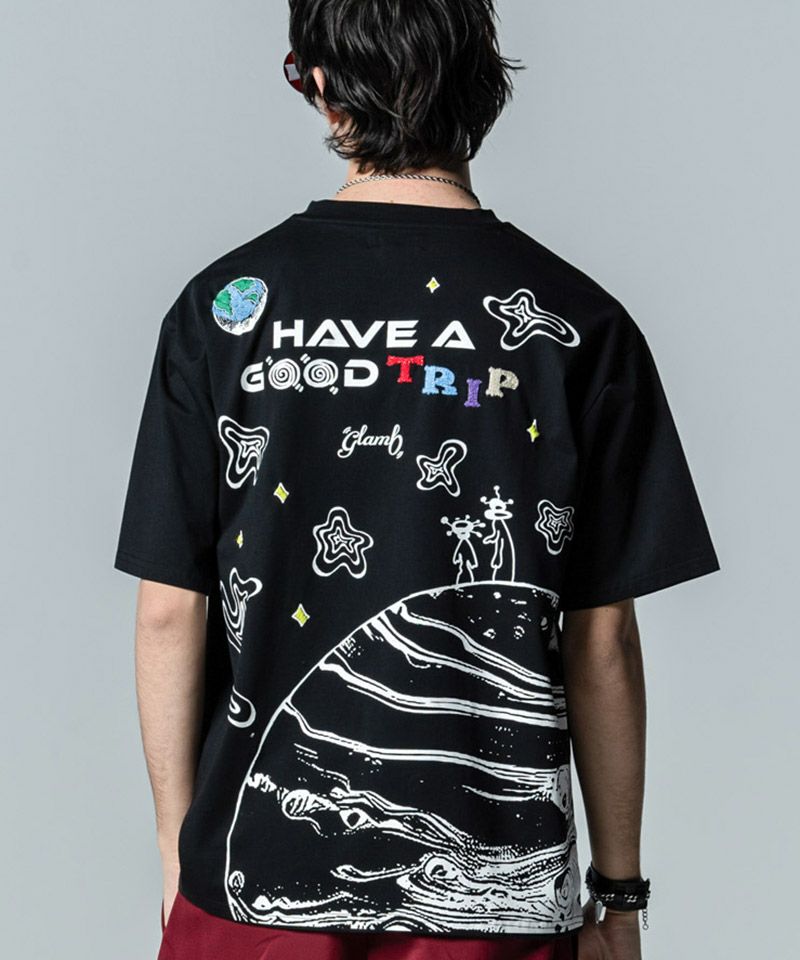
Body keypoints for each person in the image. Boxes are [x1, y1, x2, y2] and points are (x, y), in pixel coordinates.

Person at [113, 2, 721, 958]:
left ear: (318, 83)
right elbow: (601, 641)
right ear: (484, 86)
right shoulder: (581, 324)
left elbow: (167, 611)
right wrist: (619, 898)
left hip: (258, 889)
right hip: (496, 902)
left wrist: (176, 854)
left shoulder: (225, 311)